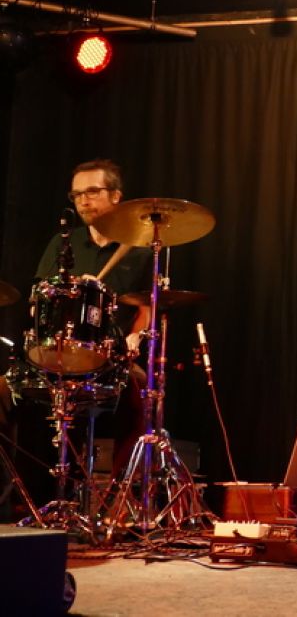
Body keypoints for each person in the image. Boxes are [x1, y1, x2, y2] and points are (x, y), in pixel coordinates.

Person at [0, 159, 151, 514]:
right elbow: (39, 300)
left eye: (93, 191)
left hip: (111, 360)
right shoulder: (63, 244)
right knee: (1, 393)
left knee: (142, 395)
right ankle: (12, 499)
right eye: (77, 194)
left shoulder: (140, 248)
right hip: (55, 358)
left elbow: (148, 306)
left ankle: (113, 501)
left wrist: (135, 337)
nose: (84, 200)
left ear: (116, 196)